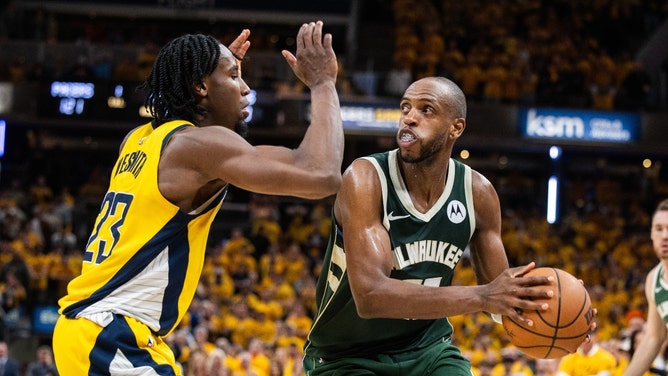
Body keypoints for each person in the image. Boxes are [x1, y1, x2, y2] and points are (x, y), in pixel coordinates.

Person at [52, 20, 344, 375]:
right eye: (236, 77)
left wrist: (219, 75)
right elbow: (321, 175)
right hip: (113, 333)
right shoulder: (195, 148)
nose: (246, 89)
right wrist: (323, 83)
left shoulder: (139, 139)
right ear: (200, 87)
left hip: (95, 330)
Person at [302, 76, 591, 375]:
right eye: (405, 108)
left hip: (428, 349)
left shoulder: (478, 193)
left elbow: (500, 299)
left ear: (456, 127)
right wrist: (482, 295)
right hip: (346, 356)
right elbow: (371, 297)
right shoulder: (365, 179)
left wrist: (565, 308)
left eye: (426, 110)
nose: (410, 118)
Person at [624, 199, 668, 376]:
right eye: (659, 229)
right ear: (651, 233)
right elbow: (654, 338)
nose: (665, 235)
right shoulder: (653, 279)